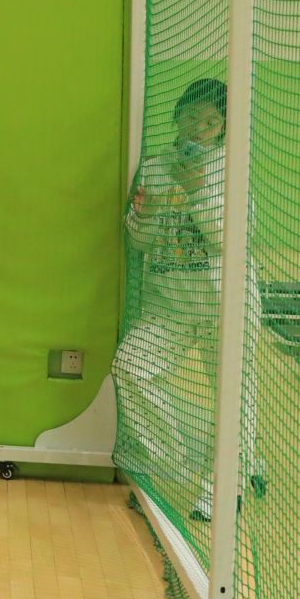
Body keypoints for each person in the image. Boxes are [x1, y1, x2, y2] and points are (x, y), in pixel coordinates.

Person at [113, 78, 254, 521]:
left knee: (233, 396)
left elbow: (226, 238)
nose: (199, 127)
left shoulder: (231, 167)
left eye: (211, 121)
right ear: (178, 116)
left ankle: (225, 484)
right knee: (130, 368)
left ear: (223, 127)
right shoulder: (156, 167)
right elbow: (139, 241)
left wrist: (196, 190)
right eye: (192, 116)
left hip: (223, 306)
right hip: (169, 305)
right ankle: (174, 462)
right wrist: (146, 214)